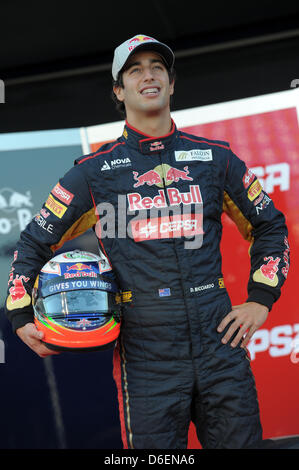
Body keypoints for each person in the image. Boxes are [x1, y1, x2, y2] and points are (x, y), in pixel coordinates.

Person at [4, 34, 289, 449]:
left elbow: (270, 226)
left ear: (171, 84)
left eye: (157, 67)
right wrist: (19, 315)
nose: (148, 75)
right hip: (145, 355)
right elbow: (32, 243)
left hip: (221, 344)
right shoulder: (93, 172)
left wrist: (261, 299)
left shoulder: (216, 159)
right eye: (134, 70)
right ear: (119, 91)